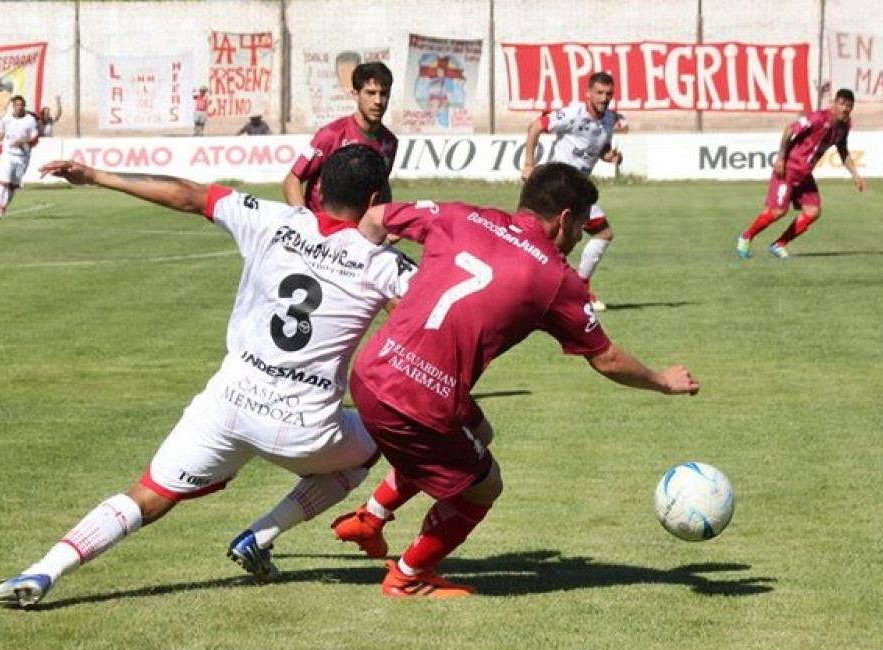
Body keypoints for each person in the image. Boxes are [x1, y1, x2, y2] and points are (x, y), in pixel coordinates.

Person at [0, 144, 418, 611]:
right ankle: (262, 535)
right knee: (376, 440)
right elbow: (434, 316)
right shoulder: (383, 264)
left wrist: (95, 175)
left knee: (148, 496)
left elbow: (187, 193)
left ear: (319, 191)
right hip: (305, 428)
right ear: (379, 197)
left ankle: (44, 570)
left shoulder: (272, 218)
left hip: (229, 404)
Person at [330, 162, 701, 598]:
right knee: (485, 485)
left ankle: (371, 517)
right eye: (581, 225)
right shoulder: (556, 278)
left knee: (478, 431)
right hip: (420, 403)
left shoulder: (460, 214)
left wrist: (356, 268)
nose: (581, 235)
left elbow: (373, 218)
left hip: (372, 371)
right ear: (564, 218)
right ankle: (408, 576)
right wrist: (663, 380)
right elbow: (606, 358)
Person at [522, 71, 623, 312]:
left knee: (551, 244)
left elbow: (600, 148)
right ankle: (579, 289)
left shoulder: (609, 120)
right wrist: (528, 164)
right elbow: (536, 126)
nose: (604, 97)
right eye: (599, 92)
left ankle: (545, 291)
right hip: (563, 184)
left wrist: (611, 157)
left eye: (608, 93)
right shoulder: (572, 113)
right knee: (601, 233)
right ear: (588, 93)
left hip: (580, 188)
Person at [736, 87, 866, 259]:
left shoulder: (845, 125)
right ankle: (746, 237)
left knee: (813, 211)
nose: (845, 109)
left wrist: (855, 175)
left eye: (849, 105)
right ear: (834, 103)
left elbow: (843, 150)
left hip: (804, 174)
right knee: (778, 211)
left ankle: (778, 244)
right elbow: (789, 129)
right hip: (789, 168)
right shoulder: (818, 118)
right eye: (842, 104)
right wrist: (781, 158)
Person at [283, 61, 397, 213]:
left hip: (358, 233)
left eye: (383, 93)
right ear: (355, 95)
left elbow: (382, 186)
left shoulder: (389, 142)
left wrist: (385, 221)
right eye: (370, 93)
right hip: (323, 231)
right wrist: (304, 222)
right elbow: (292, 180)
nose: (377, 101)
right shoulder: (331, 134)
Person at [0, 95, 39, 220]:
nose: (19, 108)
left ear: (24, 106)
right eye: (16, 105)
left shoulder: (30, 120)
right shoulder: (6, 118)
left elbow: (35, 139)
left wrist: (23, 142)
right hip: (8, 154)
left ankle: (3, 207)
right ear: (13, 107)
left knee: (12, 186)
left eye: (21, 105)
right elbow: (2, 131)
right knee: (3, 182)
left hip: (23, 157)